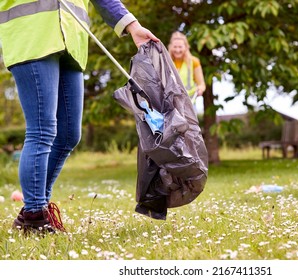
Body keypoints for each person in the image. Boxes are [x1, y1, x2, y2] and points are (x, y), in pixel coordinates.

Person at [0, 0, 158, 234]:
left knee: (68, 135)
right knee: (42, 130)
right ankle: (34, 215)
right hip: (31, 36)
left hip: (72, 41)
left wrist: (132, 26)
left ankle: (33, 211)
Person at [168, 31, 206, 102]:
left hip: (189, 102)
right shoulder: (166, 63)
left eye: (180, 47)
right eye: (175, 47)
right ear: (170, 47)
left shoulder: (194, 62)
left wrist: (200, 89)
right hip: (171, 103)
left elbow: (201, 84)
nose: (177, 50)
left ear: (186, 47)